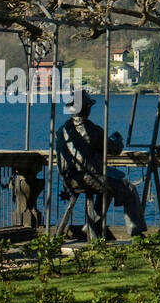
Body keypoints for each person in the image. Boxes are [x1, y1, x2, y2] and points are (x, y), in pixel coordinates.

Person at [54, 93, 147, 237]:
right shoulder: (91, 130)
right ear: (86, 109)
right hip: (90, 179)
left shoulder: (62, 130)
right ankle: (137, 232)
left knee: (107, 190)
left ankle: (91, 226)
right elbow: (114, 148)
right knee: (129, 189)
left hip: (69, 180)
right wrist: (117, 138)